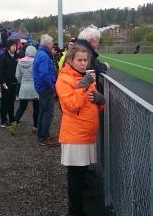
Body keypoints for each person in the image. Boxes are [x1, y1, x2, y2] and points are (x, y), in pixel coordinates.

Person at [56, 43, 105, 216]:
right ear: (71, 60)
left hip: (87, 134)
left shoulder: (84, 76)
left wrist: (100, 100)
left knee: (80, 175)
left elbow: (91, 105)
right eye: (79, 60)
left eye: (85, 60)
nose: (83, 63)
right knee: (75, 179)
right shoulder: (64, 80)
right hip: (75, 136)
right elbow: (71, 105)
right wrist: (84, 85)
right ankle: (75, 212)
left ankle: (77, 210)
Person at [8, 45, 39, 135]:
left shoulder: (20, 61)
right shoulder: (35, 61)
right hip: (34, 87)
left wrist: (22, 82)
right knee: (36, 108)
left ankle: (13, 125)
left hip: (24, 87)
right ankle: (35, 127)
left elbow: (17, 75)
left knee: (22, 107)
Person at [33, 34, 58, 146]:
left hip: (41, 87)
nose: (53, 45)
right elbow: (44, 74)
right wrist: (51, 85)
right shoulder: (44, 56)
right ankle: (44, 137)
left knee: (43, 111)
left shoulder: (39, 53)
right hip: (45, 87)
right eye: (52, 43)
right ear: (48, 44)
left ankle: (42, 135)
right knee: (48, 112)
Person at [75, 26, 109, 92]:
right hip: (83, 91)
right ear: (93, 40)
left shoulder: (78, 46)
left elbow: (94, 63)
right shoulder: (84, 51)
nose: (98, 44)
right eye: (98, 41)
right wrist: (104, 66)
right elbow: (92, 67)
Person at [0, 40, 18, 128]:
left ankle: (12, 119)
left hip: (14, 82)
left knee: (12, 102)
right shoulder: (3, 56)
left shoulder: (16, 56)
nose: (14, 47)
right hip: (6, 83)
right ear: (8, 46)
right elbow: (0, 70)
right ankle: (3, 120)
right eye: (12, 45)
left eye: (15, 45)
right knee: (5, 101)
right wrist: (3, 82)